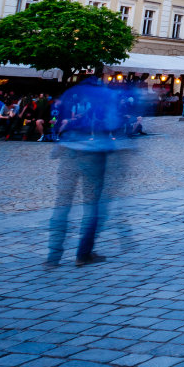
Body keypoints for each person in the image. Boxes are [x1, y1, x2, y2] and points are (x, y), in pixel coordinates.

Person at [46, 75, 125, 267]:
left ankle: (53, 256)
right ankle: (83, 254)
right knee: (91, 204)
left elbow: (56, 122)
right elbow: (113, 122)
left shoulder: (71, 93)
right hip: (93, 153)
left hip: (68, 151)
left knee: (62, 203)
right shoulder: (107, 95)